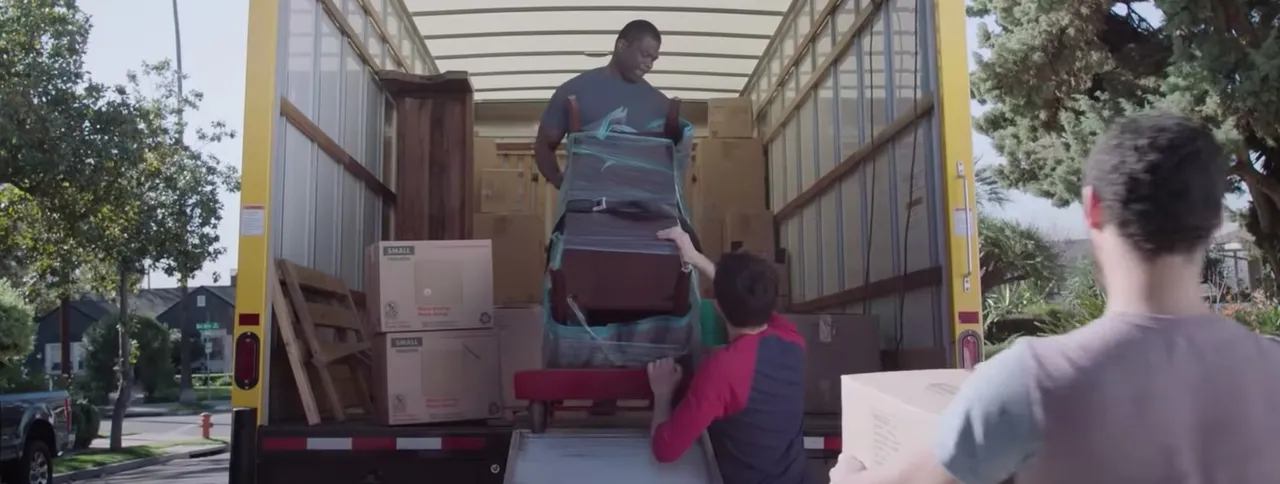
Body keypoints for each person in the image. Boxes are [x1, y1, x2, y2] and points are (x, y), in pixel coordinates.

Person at [830, 112, 1280, 484]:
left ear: (1093, 207)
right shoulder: (1271, 369)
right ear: (1216, 214)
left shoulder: (1033, 381)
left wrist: (848, 471)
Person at [646, 226, 810, 483]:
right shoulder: (791, 338)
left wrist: (663, 394)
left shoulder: (722, 370)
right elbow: (748, 299)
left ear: (718, 307)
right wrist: (696, 258)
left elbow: (665, 450)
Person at [533, 19, 669, 190]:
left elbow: (673, 158)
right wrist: (562, 185)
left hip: (643, 210)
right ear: (621, 46)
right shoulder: (575, 91)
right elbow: (544, 145)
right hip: (586, 210)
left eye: (653, 59)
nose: (649, 64)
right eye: (644, 54)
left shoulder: (659, 104)